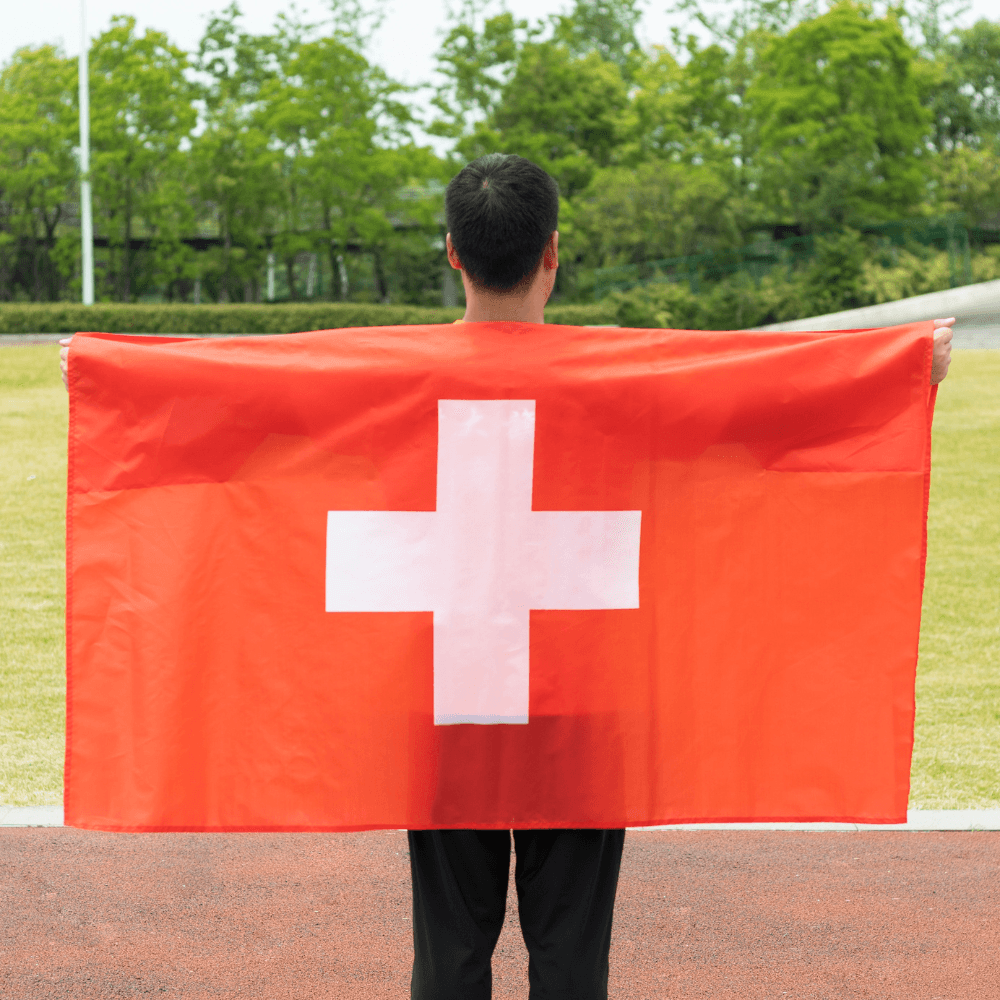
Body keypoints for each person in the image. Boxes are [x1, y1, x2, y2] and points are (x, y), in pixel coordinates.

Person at [59, 153, 955, 1000]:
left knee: (448, 952)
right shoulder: (618, 379)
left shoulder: (382, 376)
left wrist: (104, 374)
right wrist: (904, 369)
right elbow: (755, 400)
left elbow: (244, 392)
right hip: (584, 700)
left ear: (452, 253)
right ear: (552, 253)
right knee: (572, 954)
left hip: (441, 698)